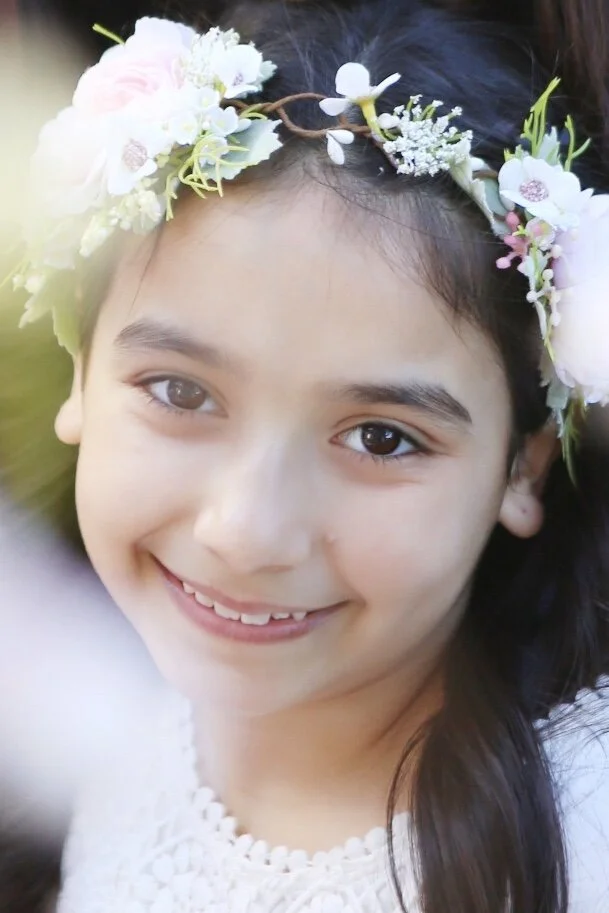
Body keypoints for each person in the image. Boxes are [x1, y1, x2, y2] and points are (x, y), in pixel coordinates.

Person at [5, 1, 609, 911]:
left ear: (519, 465)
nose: (247, 532)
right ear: (82, 371)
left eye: (381, 437)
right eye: (180, 391)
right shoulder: (93, 711)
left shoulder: (580, 838)